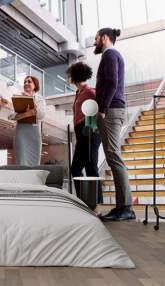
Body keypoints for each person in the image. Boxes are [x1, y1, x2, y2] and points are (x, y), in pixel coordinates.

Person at [94, 28, 135, 221]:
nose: (95, 42)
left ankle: (126, 207)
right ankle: (121, 207)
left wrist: (102, 108)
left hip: (111, 110)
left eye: (96, 38)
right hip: (112, 109)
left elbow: (111, 82)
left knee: (113, 155)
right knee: (112, 155)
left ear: (104, 38)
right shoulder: (110, 56)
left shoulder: (110, 55)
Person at [66, 62, 102, 215]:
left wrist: (88, 130)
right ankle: (88, 204)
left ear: (74, 76)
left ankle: (92, 207)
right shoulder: (79, 93)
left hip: (89, 130)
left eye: (70, 75)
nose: (68, 77)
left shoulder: (89, 92)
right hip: (81, 132)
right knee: (81, 168)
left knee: (88, 167)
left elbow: (95, 112)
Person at [13, 76, 46, 166]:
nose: (26, 83)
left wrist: (31, 100)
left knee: (34, 163)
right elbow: (11, 116)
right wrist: (26, 114)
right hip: (21, 134)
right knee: (21, 162)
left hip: (34, 134)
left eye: (29, 81)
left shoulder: (40, 99)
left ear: (35, 85)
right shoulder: (18, 98)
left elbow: (41, 115)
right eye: (24, 82)